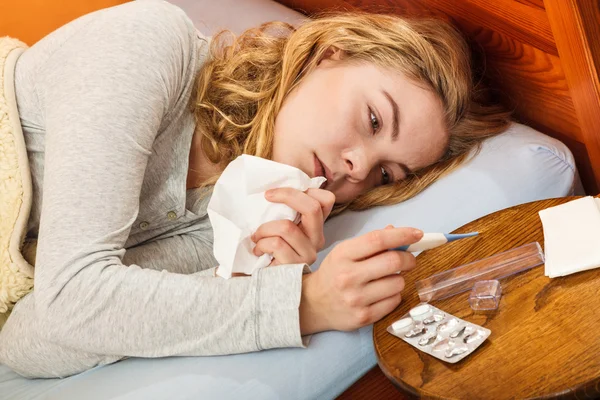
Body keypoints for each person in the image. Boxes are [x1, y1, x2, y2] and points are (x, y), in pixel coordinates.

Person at [0, 0, 509, 378]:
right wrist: (302, 304)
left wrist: (255, 276)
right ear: (327, 56)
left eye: (385, 174)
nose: (357, 166)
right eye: (374, 119)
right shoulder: (149, 44)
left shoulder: (237, 216)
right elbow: (72, 301)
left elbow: (26, 341)